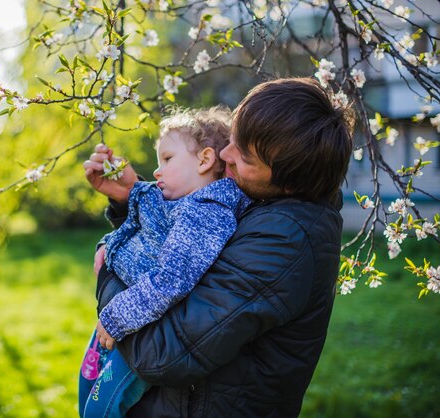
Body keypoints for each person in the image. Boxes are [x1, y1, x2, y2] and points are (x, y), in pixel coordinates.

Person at [83, 77, 354, 417]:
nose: (224, 154)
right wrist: (131, 197)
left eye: (245, 156)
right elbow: (184, 238)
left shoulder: (284, 241)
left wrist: (109, 273)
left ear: (286, 184)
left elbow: (163, 354)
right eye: (234, 138)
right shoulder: (258, 199)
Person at [79, 107, 251, 418]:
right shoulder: (178, 200)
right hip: (119, 318)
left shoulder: (207, 212)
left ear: (205, 159)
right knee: (87, 389)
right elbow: (142, 214)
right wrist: (109, 241)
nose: (157, 171)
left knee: (99, 410)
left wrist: (115, 316)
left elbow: (171, 279)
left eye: (167, 159)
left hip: (134, 326)